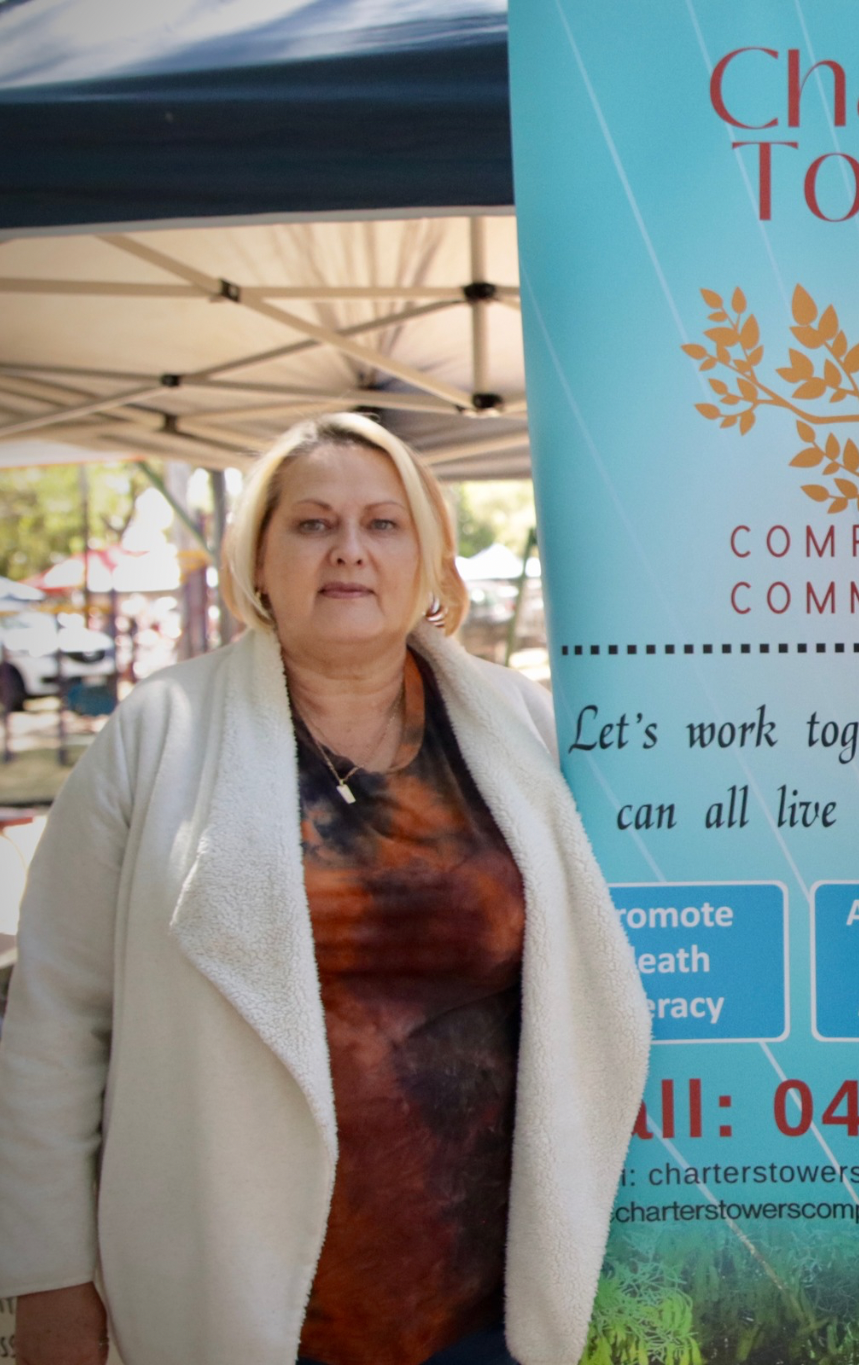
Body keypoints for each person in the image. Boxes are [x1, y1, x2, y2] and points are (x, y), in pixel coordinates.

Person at [0, 415, 651, 1365]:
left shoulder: (522, 728)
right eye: (312, 524)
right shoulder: (156, 737)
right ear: (258, 559)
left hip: (492, 1308)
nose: (350, 549)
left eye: (385, 524)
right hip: (245, 1303)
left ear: (430, 562)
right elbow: (56, 1025)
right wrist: (50, 1280)